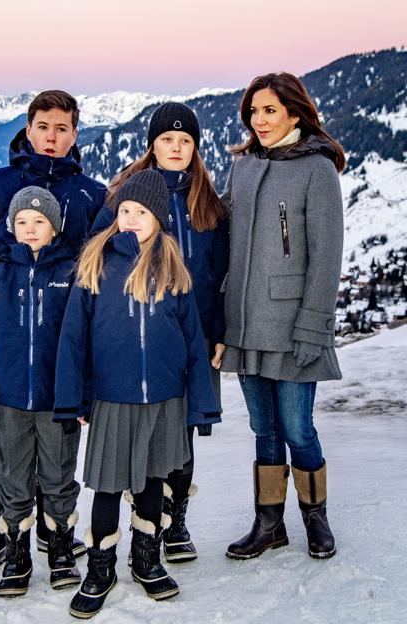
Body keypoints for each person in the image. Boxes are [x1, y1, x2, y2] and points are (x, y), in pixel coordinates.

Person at [54, 170, 220, 618]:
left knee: (152, 482)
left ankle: (146, 559)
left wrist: (200, 402)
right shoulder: (97, 263)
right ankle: (101, 567)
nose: (130, 218)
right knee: (107, 484)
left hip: (165, 399)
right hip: (112, 396)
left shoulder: (172, 267)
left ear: (159, 220)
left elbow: (193, 340)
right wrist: (73, 397)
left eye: (141, 212)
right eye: (124, 210)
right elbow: (73, 337)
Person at [0, 91, 106, 578]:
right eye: (44, 126)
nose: (51, 137)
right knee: (1, 444)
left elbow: (101, 267)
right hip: (10, 347)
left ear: (75, 134)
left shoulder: (88, 194)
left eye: (62, 129)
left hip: (62, 348)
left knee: (57, 443)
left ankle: (52, 526)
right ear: (28, 127)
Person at [94, 102, 228, 563]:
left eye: (185, 140)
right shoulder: (124, 199)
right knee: (145, 430)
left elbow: (222, 274)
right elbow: (98, 259)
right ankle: (146, 513)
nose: (176, 148)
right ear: (152, 144)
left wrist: (220, 332)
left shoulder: (209, 205)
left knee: (183, 432)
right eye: (167, 140)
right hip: (137, 340)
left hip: (194, 338)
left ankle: (175, 518)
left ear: (196, 148)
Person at [220, 72, 344, 561]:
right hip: (246, 324)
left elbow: (326, 255)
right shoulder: (245, 166)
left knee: (298, 428)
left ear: (295, 112)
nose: (260, 120)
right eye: (254, 111)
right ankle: (269, 523)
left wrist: (315, 325)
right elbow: (221, 230)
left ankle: (316, 518)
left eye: (269, 110)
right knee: (263, 429)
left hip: (293, 325)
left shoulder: (318, 170)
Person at [0, 187, 82, 596]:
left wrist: (80, 395)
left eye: (39, 222)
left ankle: (61, 550)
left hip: (58, 402)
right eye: (22, 223)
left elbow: (81, 340)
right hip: (10, 400)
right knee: (14, 478)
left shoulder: (70, 273)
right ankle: (17, 552)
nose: (30, 230)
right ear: (11, 228)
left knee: (58, 477)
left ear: (54, 227)